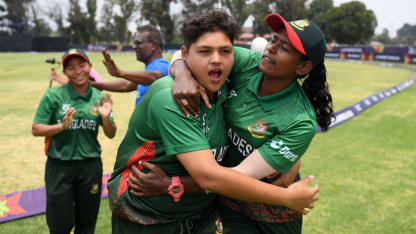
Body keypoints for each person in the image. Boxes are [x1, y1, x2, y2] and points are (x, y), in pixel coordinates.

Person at [107, 9, 319, 234]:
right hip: (150, 214)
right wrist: (180, 72)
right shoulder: (173, 97)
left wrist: (173, 184)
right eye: (273, 40)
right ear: (187, 54)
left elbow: (230, 175)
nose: (216, 59)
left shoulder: (227, 85)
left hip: (210, 210)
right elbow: (209, 176)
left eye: (225, 52)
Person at [32, 48, 117, 234]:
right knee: (59, 223)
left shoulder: (99, 97)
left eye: (81, 65)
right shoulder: (53, 96)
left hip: (90, 167)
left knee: (86, 223)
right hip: (60, 167)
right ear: (64, 72)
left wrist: (105, 117)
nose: (77, 71)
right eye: (71, 68)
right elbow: (36, 129)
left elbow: (111, 133)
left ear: (90, 67)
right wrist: (61, 127)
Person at [91, 25, 170, 106]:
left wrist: (120, 73)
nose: (134, 47)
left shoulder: (164, 66)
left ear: (154, 45)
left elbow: (155, 77)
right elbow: (126, 85)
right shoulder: (149, 72)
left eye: (137, 43)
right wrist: (94, 85)